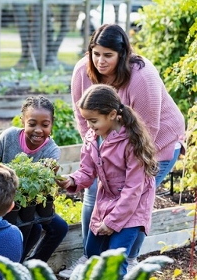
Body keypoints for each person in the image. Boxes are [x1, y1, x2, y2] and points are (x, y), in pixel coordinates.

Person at [60, 23, 186, 278]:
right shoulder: (83, 72)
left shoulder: (142, 77)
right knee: (94, 193)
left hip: (154, 142)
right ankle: (90, 259)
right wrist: (93, 153)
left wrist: (113, 221)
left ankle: (128, 260)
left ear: (123, 54)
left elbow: (147, 133)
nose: (100, 61)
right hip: (112, 142)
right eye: (96, 53)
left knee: (135, 199)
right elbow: (83, 119)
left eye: (108, 55)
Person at [57, 84, 158, 277]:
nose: (89, 125)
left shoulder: (131, 142)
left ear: (112, 114)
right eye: (86, 120)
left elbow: (133, 189)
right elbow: (87, 171)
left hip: (132, 208)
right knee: (93, 254)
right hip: (106, 201)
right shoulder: (92, 138)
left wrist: (112, 222)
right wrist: (71, 180)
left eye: (93, 120)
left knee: (115, 259)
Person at [0, 95, 69, 262]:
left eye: (45, 125)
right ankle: (13, 265)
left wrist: (50, 175)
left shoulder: (52, 151)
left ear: (52, 123)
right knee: (31, 227)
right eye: (32, 124)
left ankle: (32, 266)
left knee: (59, 228)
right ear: (22, 121)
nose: (38, 130)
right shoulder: (9, 137)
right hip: (1, 199)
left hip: (31, 203)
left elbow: (43, 188)